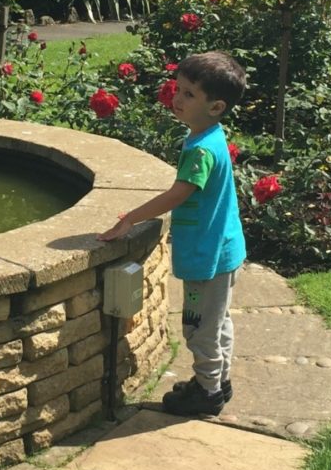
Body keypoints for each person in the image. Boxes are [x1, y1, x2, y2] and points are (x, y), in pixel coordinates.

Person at [98, 51, 247, 417]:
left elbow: (179, 193)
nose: (177, 99)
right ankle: (217, 380)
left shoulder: (199, 151)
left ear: (216, 107)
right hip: (224, 250)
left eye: (189, 94)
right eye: (178, 89)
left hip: (206, 257)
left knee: (199, 329)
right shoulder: (211, 136)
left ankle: (207, 393)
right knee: (218, 322)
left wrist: (131, 218)